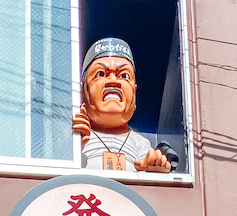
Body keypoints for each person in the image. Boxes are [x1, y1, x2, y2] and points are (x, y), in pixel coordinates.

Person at [73, 37, 172, 173]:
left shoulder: (139, 142)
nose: (113, 81)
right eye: (101, 74)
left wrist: (153, 166)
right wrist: (73, 147)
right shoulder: (78, 135)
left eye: (124, 76)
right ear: (83, 91)